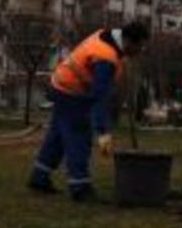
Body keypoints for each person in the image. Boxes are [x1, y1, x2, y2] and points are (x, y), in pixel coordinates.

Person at [27, 21, 150, 202]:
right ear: (129, 41)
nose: (140, 51)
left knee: (57, 135)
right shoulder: (106, 58)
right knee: (79, 137)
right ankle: (80, 186)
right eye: (140, 46)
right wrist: (103, 132)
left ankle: (39, 176)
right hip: (71, 92)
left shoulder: (106, 35)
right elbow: (100, 98)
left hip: (60, 84)